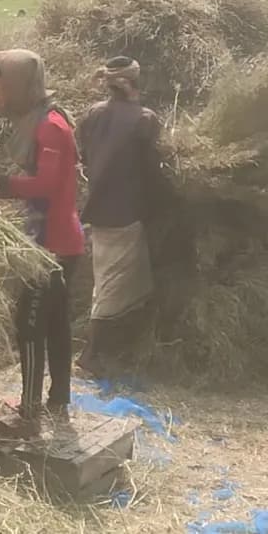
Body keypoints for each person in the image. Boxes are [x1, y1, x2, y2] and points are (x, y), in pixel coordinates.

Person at [0, 49, 84, 425]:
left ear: (18, 84)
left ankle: (29, 410)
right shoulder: (41, 121)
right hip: (55, 239)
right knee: (55, 323)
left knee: (30, 326)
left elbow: (45, 185)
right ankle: (58, 400)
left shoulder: (51, 127)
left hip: (52, 246)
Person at [75, 56, 162, 373]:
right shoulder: (145, 119)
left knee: (115, 279)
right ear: (136, 82)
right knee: (112, 287)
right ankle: (91, 355)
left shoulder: (92, 114)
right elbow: (152, 170)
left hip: (99, 208)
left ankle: (119, 348)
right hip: (126, 211)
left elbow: (84, 156)